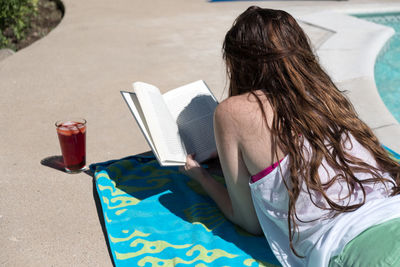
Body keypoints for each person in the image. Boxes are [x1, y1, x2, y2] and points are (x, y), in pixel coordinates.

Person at [180, 6, 400, 267]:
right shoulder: (325, 97)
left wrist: (201, 176)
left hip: (356, 245)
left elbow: (249, 222)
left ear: (239, 63)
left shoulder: (232, 111)